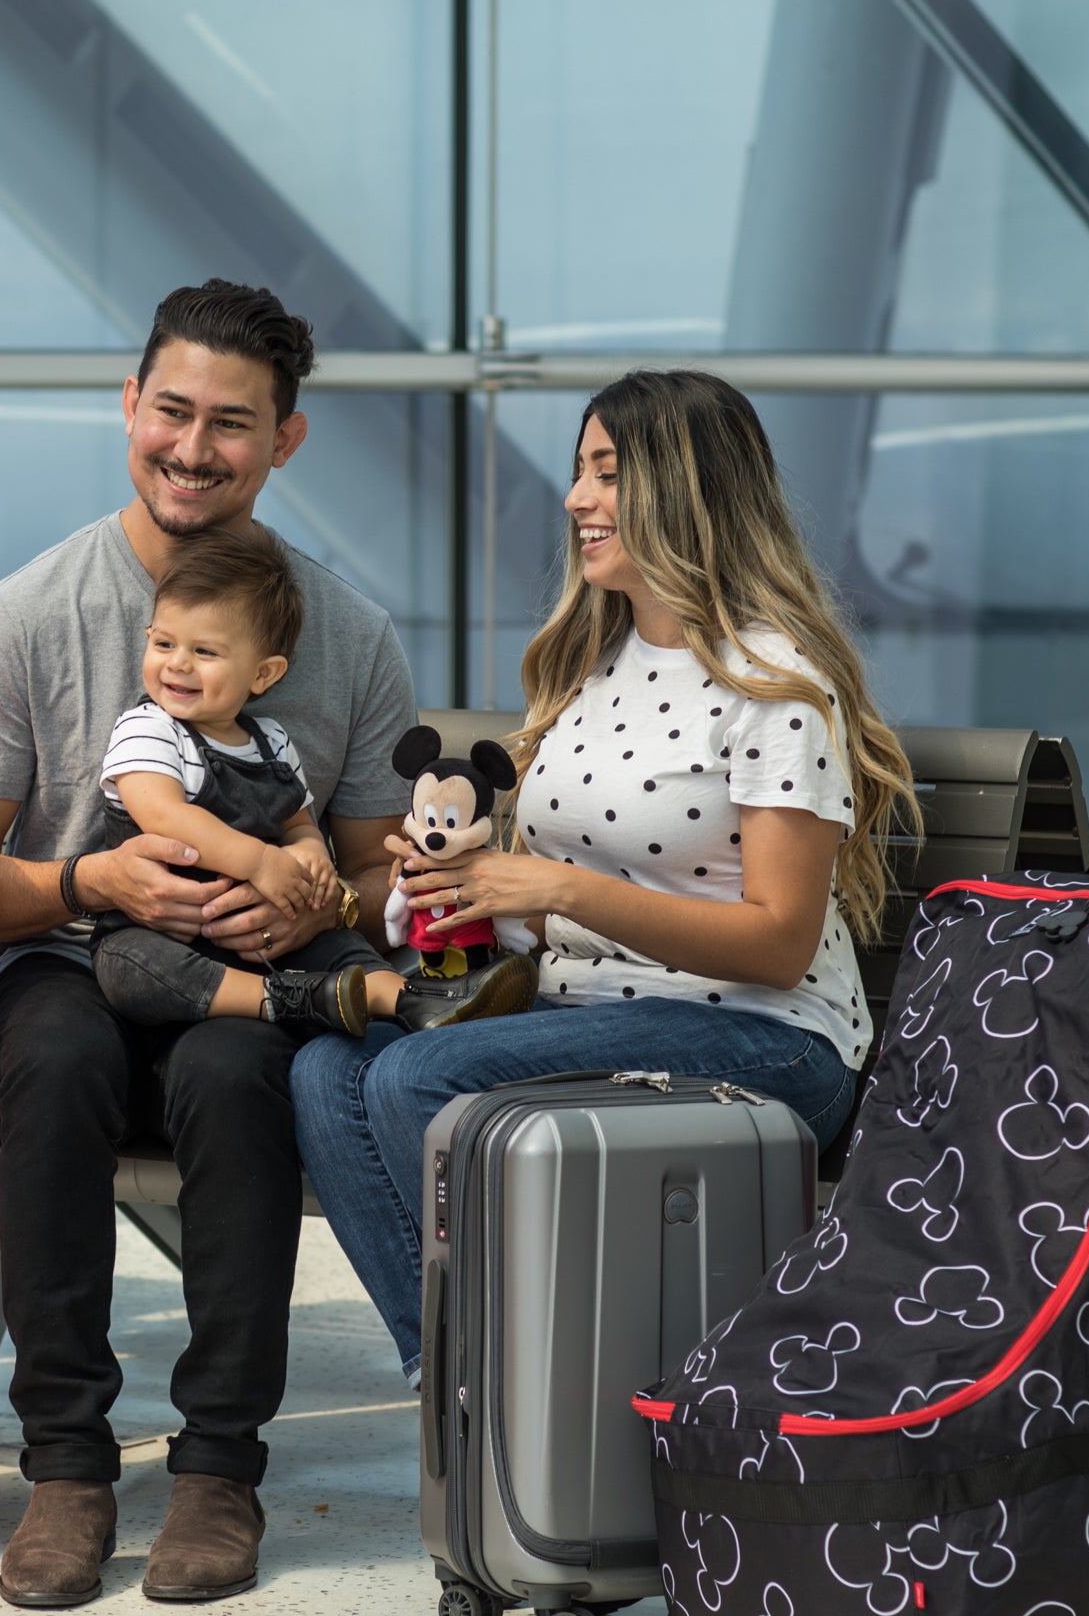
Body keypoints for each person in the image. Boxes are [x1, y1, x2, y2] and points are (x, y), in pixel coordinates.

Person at [0, 279, 418, 1610]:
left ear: (286, 442)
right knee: (55, 1048)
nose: (195, 449)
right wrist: (91, 877)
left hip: (236, 994)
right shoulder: (28, 614)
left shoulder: (349, 636)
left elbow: (386, 876)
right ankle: (69, 1468)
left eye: (233, 425)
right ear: (129, 407)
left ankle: (218, 1470)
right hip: (62, 966)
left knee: (234, 1073)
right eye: (173, 412)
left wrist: (322, 902)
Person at [291, 369, 916, 1380]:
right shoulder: (596, 660)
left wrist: (554, 890)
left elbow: (778, 939)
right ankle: (461, 1376)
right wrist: (468, 885)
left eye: (604, 472)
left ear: (684, 487)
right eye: (581, 471)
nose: (575, 498)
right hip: (584, 1008)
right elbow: (555, 894)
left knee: (417, 1078)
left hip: (765, 1037)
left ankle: (519, 1383)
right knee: (328, 1071)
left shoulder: (773, 684)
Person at [90, 526, 528, 1037]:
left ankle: (420, 1000)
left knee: (339, 944)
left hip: (264, 928)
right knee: (130, 966)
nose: (178, 663)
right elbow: (165, 815)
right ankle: (283, 1000)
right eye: (163, 643)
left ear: (264, 674)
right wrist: (261, 861)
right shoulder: (148, 729)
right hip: (162, 927)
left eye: (204, 652)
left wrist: (312, 859)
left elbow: (297, 823)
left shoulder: (271, 742)